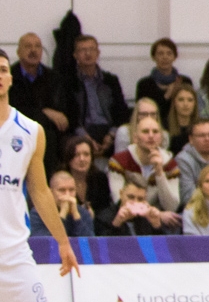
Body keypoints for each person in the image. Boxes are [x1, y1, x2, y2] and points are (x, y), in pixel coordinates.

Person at [0, 51, 108, 302]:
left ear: (10, 79)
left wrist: (63, 242)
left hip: (12, 251)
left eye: (2, 71)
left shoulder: (29, 130)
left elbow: (40, 190)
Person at [59, 35, 129, 157]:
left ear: (98, 53)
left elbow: (121, 111)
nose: (88, 53)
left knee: (126, 135)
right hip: (83, 130)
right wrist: (86, 138)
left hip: (108, 129)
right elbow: (71, 116)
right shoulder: (68, 82)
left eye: (91, 49)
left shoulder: (110, 80)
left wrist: (111, 135)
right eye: (82, 50)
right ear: (75, 55)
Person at [107, 113, 182, 221]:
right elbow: (119, 201)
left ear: (160, 138)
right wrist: (158, 214)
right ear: (135, 138)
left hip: (155, 220)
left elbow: (171, 207)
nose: (151, 135)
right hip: (125, 216)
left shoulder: (170, 164)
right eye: (145, 132)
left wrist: (159, 172)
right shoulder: (119, 161)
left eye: (155, 132)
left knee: (174, 221)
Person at [10, 34, 65, 169]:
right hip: (17, 130)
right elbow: (12, 109)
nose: (33, 50)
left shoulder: (54, 77)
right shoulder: (9, 76)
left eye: (37, 46)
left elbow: (62, 111)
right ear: (18, 52)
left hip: (50, 132)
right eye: (28, 46)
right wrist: (44, 112)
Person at [135, 38, 191, 123]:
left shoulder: (184, 82)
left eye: (169, 53)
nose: (165, 57)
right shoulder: (144, 84)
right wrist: (167, 96)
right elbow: (142, 112)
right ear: (154, 57)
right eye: (160, 53)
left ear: (174, 57)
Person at [62, 135, 111, 232]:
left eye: (86, 154)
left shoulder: (100, 178)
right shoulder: (60, 180)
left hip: (97, 228)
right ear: (69, 157)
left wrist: (93, 216)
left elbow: (106, 210)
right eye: (77, 155)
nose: (82, 159)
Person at [33, 170, 94, 239]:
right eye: (62, 190)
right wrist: (63, 214)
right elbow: (42, 243)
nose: (67, 195)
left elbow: (90, 243)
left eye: (71, 190)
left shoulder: (83, 213)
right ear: (51, 192)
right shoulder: (39, 213)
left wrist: (76, 216)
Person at [166, 84, 198, 156]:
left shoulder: (201, 127)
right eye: (181, 100)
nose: (185, 104)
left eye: (190, 100)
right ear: (174, 103)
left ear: (195, 103)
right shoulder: (164, 127)